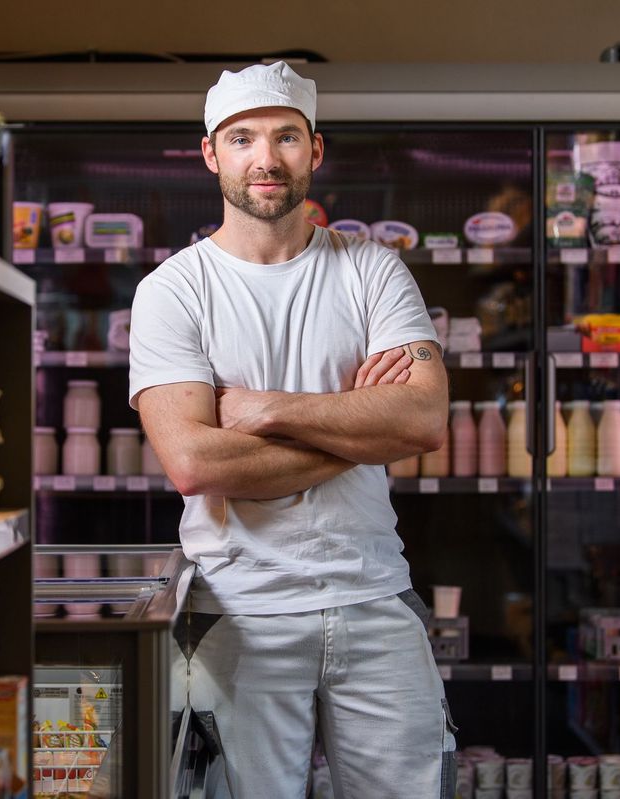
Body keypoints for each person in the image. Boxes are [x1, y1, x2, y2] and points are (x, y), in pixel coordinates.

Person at [128, 60, 456, 798]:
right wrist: (359, 424)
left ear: (315, 149)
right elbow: (193, 460)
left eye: (285, 137)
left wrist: (267, 408)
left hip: (375, 598)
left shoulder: (371, 269)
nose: (265, 158)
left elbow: (425, 417)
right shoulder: (174, 290)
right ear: (211, 154)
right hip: (238, 611)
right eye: (241, 138)